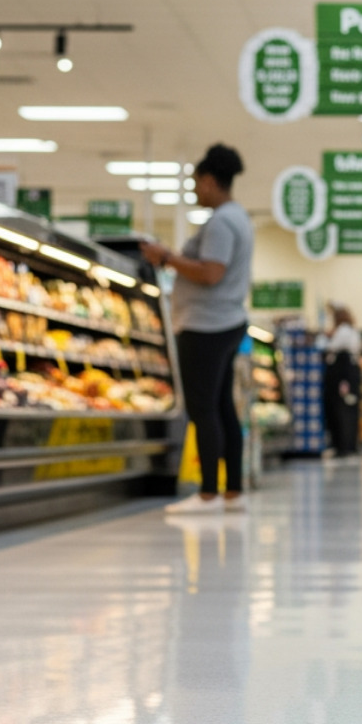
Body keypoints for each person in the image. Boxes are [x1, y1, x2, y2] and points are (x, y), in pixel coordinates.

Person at [140, 144, 254, 514]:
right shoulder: (239, 218)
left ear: (208, 181)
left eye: (195, 183)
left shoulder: (221, 222)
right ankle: (231, 490)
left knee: (204, 409)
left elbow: (211, 273)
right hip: (226, 322)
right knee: (221, 408)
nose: (194, 191)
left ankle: (208, 493)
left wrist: (168, 257)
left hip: (207, 325)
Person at [321, 301, 362, 460]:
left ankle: (342, 446)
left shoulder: (343, 331)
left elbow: (332, 348)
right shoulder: (352, 331)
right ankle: (349, 445)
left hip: (342, 375)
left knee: (340, 411)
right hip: (349, 375)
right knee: (349, 410)